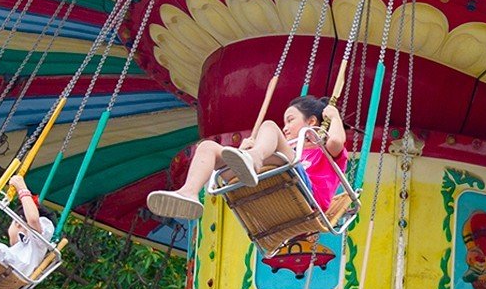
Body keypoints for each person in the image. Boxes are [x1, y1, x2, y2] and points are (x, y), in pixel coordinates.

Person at [147, 94, 349, 224]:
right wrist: (242, 150)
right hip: (270, 181)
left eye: (290, 120)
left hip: (307, 194)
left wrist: (334, 116)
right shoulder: (290, 148)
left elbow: (336, 141)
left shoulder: (323, 150)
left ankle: (252, 159)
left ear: (311, 121)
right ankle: (189, 192)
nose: (285, 128)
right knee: (207, 147)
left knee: (269, 126)